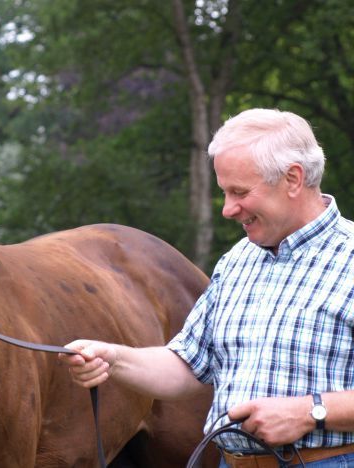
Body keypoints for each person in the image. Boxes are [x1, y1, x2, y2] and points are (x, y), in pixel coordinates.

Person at [59, 108, 354, 467]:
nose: (228, 209)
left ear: (293, 179)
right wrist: (113, 358)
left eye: (239, 192)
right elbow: (186, 367)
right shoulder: (237, 262)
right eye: (224, 192)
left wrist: (310, 412)